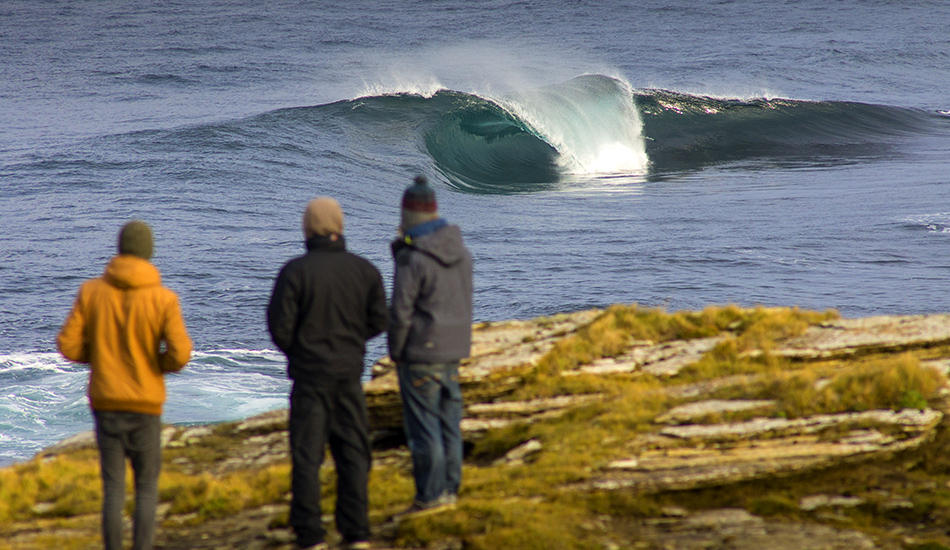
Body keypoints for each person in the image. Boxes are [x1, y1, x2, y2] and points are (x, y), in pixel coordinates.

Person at [57, 220, 192, 550]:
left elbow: (68, 344)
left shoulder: (91, 292)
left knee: (113, 488)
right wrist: (154, 366)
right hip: (145, 404)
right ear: (149, 252)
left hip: (106, 403)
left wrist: (101, 357)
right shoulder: (164, 299)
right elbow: (180, 353)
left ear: (119, 248)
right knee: (147, 486)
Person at [267, 197, 387, 550]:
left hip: (309, 379)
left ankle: (310, 535)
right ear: (340, 226)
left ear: (307, 229)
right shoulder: (364, 271)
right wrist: (351, 344)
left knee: (307, 456)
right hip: (348, 376)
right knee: (353, 454)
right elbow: (380, 319)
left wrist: (301, 351)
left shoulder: (295, 272)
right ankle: (357, 532)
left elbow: (279, 327)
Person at [388, 176, 473, 517]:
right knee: (449, 424)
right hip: (454, 350)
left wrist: (396, 351)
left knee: (424, 429)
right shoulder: (461, 251)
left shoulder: (413, 257)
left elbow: (400, 312)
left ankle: (429, 498)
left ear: (408, 216)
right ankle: (450, 491)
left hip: (421, 353)